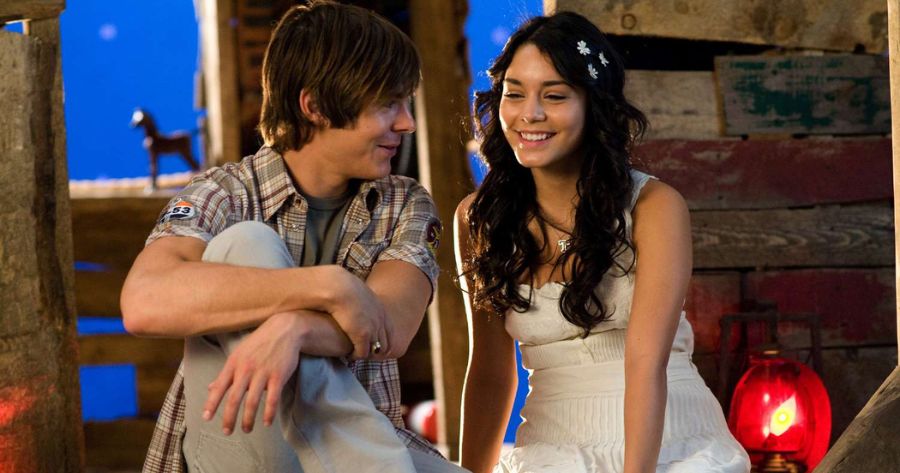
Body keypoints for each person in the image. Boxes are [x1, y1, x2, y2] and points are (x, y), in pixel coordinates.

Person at [121, 2, 466, 472]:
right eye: (388, 103)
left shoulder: (404, 203)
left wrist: (294, 328)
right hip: (238, 449)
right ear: (315, 106)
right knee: (248, 244)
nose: (406, 122)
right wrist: (327, 287)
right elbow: (143, 302)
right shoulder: (224, 194)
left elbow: (390, 327)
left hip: (358, 446)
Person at [454, 11, 751, 473]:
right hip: (550, 450)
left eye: (554, 96)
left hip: (669, 439)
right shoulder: (479, 219)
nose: (530, 114)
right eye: (514, 93)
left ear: (593, 105)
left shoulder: (653, 206)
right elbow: (490, 374)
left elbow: (645, 364)